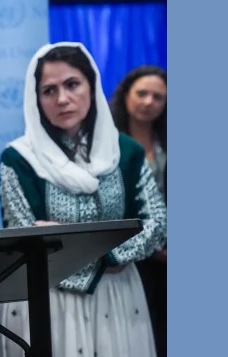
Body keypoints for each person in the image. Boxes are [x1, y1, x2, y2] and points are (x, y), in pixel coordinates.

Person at [0, 42, 167, 357]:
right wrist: (106, 239)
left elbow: (156, 224)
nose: (62, 99)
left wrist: (105, 253)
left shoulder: (126, 152)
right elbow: (22, 232)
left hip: (117, 295)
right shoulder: (18, 158)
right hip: (45, 296)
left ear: (92, 85)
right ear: (36, 99)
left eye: (72, 84)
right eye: (48, 90)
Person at [110, 65, 167, 357]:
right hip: (125, 258)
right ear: (126, 96)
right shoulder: (107, 145)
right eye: (142, 93)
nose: (148, 102)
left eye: (158, 97)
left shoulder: (168, 142)